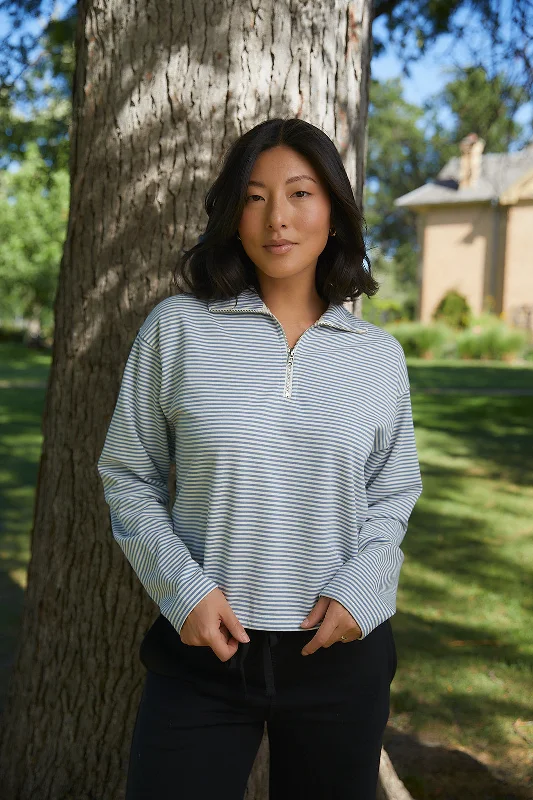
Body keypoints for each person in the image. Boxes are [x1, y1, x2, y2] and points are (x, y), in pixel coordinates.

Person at [97, 117, 423, 800]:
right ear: (232, 216)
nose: (277, 217)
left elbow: (394, 491)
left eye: (300, 193)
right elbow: (129, 475)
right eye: (253, 196)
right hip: (202, 655)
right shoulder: (177, 329)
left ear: (333, 210)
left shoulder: (377, 356)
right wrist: (183, 590)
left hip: (340, 656)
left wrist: (360, 588)